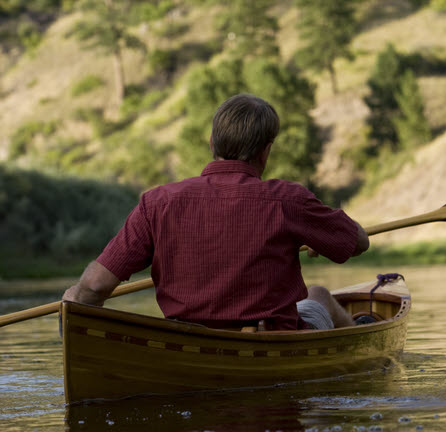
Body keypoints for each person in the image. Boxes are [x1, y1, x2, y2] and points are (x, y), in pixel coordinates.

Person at [62, 94, 369, 330]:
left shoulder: (157, 202)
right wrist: (319, 234)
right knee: (319, 295)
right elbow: (357, 243)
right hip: (271, 339)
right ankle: (358, 344)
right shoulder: (287, 199)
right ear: (266, 150)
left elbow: (96, 285)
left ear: (212, 142)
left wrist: (75, 309)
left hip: (188, 344)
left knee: (72, 297)